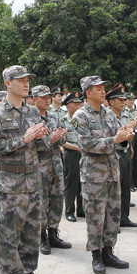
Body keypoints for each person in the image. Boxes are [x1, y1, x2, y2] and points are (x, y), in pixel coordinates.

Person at [0, 65, 52, 274]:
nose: (26, 84)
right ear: (7, 83)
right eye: (21, 80)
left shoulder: (32, 111)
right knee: (10, 234)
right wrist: (23, 138)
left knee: (31, 232)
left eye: (27, 80)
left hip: (32, 181)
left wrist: (43, 138)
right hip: (10, 185)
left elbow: (41, 146)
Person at [73, 75, 134, 274]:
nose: (103, 91)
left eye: (103, 88)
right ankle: (96, 255)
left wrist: (125, 137)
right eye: (98, 88)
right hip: (94, 176)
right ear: (88, 93)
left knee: (112, 214)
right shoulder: (80, 116)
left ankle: (108, 251)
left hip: (112, 171)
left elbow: (118, 138)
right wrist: (114, 140)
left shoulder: (108, 113)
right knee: (95, 216)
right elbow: (87, 144)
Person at [32, 85, 71, 254]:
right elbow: (30, 144)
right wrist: (50, 139)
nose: (47, 100)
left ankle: (53, 234)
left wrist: (60, 137)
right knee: (41, 203)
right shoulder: (30, 119)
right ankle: (42, 237)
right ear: (34, 99)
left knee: (57, 201)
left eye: (49, 97)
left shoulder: (54, 117)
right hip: (39, 168)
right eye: (43, 97)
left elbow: (63, 139)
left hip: (56, 165)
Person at [106, 83, 137, 228]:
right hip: (114, 154)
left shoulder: (125, 115)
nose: (123, 102)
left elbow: (127, 136)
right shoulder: (107, 117)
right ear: (111, 101)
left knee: (126, 187)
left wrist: (130, 142)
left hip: (125, 153)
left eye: (124, 99)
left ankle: (124, 218)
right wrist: (127, 130)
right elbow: (112, 137)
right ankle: (113, 221)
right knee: (114, 190)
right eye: (120, 100)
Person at [60, 91, 84, 222]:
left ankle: (81, 209)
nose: (78, 106)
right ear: (68, 106)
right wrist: (78, 148)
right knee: (71, 183)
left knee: (82, 182)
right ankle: (69, 210)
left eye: (79, 104)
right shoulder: (63, 121)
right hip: (71, 154)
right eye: (75, 104)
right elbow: (62, 142)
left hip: (83, 153)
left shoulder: (82, 119)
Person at [124, 92, 137, 192]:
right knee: (130, 160)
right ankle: (130, 184)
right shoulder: (124, 111)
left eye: (132, 99)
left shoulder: (136, 111)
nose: (131, 101)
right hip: (129, 134)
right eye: (129, 99)